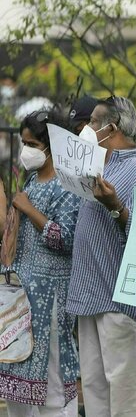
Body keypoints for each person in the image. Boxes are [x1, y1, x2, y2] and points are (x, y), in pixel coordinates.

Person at [65, 96, 136, 416]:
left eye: (93, 122)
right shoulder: (94, 165)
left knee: (129, 396)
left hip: (122, 304)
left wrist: (117, 207)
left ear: (112, 128)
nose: (87, 128)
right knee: (95, 392)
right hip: (90, 297)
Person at [0, 108, 82, 415]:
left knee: (53, 384)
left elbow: (65, 239)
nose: (26, 150)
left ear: (51, 145)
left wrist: (28, 209)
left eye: (32, 144)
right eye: (24, 143)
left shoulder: (70, 186)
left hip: (50, 298)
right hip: (20, 295)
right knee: (15, 378)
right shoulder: (31, 180)